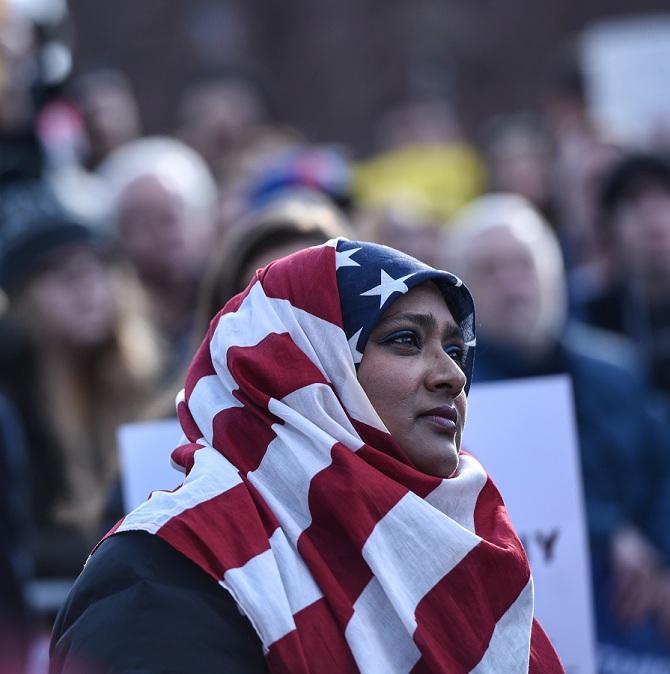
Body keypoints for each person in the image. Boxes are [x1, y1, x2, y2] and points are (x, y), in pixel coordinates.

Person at [50, 239, 564, 673]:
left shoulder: (474, 539)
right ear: (305, 370)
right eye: (406, 340)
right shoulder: (162, 575)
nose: (452, 376)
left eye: (456, 350)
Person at [442, 193, 670, 666]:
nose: (512, 285)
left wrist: (661, 553)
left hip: (638, 613)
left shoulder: (617, 370)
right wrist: (607, 532)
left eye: (523, 265)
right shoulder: (449, 394)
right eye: (489, 270)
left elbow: (662, 468)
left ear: (550, 274)